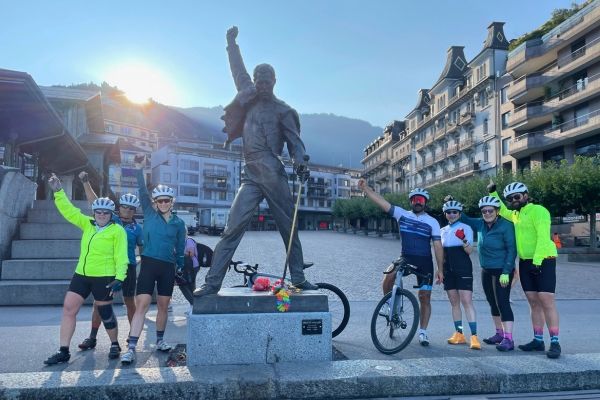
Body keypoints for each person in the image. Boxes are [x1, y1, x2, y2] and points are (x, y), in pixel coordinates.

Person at [194, 26, 316, 297]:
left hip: (273, 173)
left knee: (289, 227)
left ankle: (298, 276)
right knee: (232, 229)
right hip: (250, 175)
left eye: (266, 82)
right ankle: (212, 283)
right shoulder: (247, 98)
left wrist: (301, 163)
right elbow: (238, 69)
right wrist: (230, 43)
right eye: (258, 81)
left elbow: (296, 143)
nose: (261, 86)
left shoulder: (284, 111)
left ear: (274, 81)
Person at [44, 174, 128, 364]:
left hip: (104, 277)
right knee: (68, 308)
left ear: (111, 214)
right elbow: (69, 211)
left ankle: (114, 343)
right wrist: (58, 191)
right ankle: (63, 351)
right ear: (94, 212)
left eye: (105, 213)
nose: (101, 215)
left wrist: (120, 278)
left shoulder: (117, 231)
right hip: (81, 274)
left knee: (105, 313)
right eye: (98, 212)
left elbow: (121, 256)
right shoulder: (88, 224)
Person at [358, 180, 444, 346]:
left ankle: (423, 332)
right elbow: (382, 202)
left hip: (424, 261)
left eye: (420, 200)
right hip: (406, 257)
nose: (417, 203)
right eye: (414, 200)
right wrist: (366, 189)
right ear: (411, 202)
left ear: (425, 203)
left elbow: (438, 247)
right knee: (388, 276)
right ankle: (390, 305)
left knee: (425, 298)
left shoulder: (432, 222)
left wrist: (440, 270)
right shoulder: (402, 214)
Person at [121, 157, 186, 365]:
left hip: (168, 267)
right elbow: (142, 190)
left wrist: (181, 266)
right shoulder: (149, 214)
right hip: (149, 264)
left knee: (163, 306)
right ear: (155, 203)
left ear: (172, 202)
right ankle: (131, 348)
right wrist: (139, 170)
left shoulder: (179, 223)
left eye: (167, 200)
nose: (164, 203)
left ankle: (159, 340)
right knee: (142, 304)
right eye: (160, 201)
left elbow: (181, 247)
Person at [489, 181, 561, 358]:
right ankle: (538, 340)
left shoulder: (539, 211)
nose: (513, 200)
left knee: (546, 300)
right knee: (533, 301)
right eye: (510, 198)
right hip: (525, 261)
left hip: (544, 259)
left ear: (525, 195)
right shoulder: (515, 214)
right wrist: (493, 193)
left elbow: (544, 238)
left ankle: (555, 342)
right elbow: (503, 211)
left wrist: (537, 261)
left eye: (517, 197)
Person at [76, 172, 143, 351]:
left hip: (128, 267)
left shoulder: (138, 229)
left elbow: (143, 250)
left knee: (129, 302)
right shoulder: (111, 220)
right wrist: (85, 182)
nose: (127, 211)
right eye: (124, 207)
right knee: (100, 303)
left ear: (135, 211)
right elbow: (95, 201)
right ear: (119, 208)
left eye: (130, 209)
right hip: (107, 268)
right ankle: (92, 337)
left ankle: (132, 336)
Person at [459, 195, 517, 352]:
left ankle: (508, 338)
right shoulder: (481, 224)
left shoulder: (506, 226)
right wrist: (454, 205)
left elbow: (512, 250)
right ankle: (499, 334)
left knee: (503, 302)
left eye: (490, 210)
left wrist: (506, 271)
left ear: (497, 211)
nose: (487, 213)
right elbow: (465, 219)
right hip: (487, 269)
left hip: (502, 270)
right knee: (492, 302)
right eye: (484, 211)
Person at [439, 200, 480, 350]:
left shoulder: (466, 228)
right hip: (448, 269)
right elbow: (441, 253)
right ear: (445, 214)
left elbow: (469, 251)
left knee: (466, 301)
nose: (452, 214)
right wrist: (440, 271)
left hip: (463, 268)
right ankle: (459, 334)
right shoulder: (442, 230)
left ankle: (474, 336)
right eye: (449, 212)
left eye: (455, 212)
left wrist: (463, 239)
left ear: (459, 214)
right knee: (454, 303)